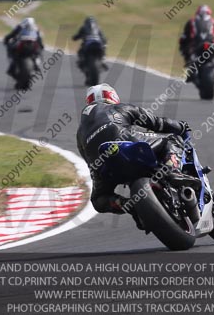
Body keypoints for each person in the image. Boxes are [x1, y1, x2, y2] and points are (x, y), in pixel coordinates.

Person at [76, 83, 193, 223]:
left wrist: (99, 173)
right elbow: (156, 123)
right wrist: (180, 126)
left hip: (102, 163)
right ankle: (172, 170)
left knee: (99, 200)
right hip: (126, 142)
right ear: (112, 96)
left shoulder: (80, 132)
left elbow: (88, 160)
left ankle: (130, 206)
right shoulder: (119, 107)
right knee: (170, 140)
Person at [179, 5, 214, 82]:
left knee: (186, 53)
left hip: (196, 45)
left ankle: (189, 73)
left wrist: (183, 45)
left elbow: (183, 38)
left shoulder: (191, 22)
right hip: (210, 45)